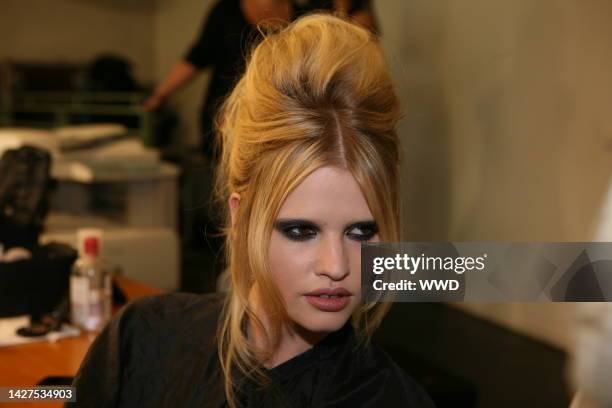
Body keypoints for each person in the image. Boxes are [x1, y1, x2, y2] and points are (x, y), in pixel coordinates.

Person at [67, 14, 436, 408]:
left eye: (362, 232)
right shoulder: (140, 337)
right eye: (300, 231)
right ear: (240, 218)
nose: (337, 265)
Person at [142, 0, 294, 160]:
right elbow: (197, 57)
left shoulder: (302, 12)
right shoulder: (226, 10)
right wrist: (159, 95)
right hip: (227, 121)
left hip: (280, 123)